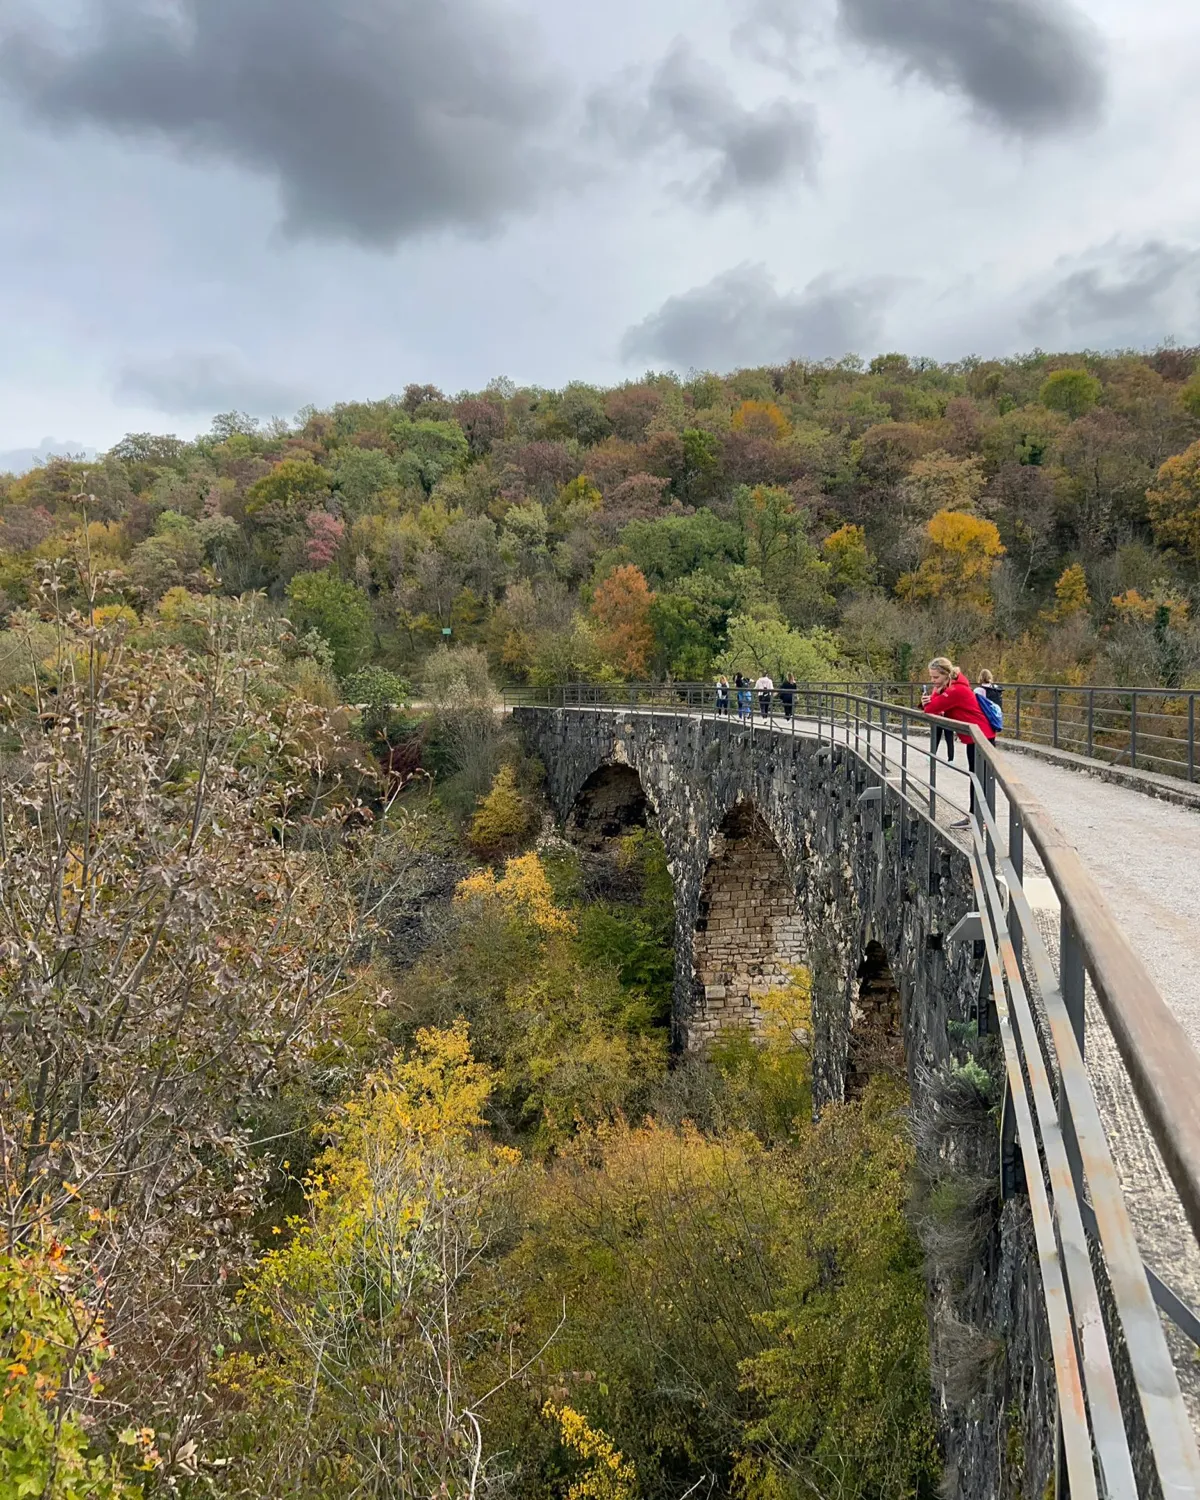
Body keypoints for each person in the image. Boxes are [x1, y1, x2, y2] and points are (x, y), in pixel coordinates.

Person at [921, 656, 996, 829]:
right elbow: (932, 706)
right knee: (977, 777)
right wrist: (935, 693)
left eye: (936, 678)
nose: (933, 681)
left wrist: (933, 696)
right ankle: (976, 817)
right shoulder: (953, 687)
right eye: (931, 678)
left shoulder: (956, 691)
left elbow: (932, 708)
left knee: (979, 778)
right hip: (978, 736)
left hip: (981, 736)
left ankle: (979, 819)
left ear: (946, 675)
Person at [975, 669, 1004, 735]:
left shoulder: (978, 690)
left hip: (983, 716)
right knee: (992, 736)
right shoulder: (996, 688)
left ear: (980, 677)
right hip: (994, 716)